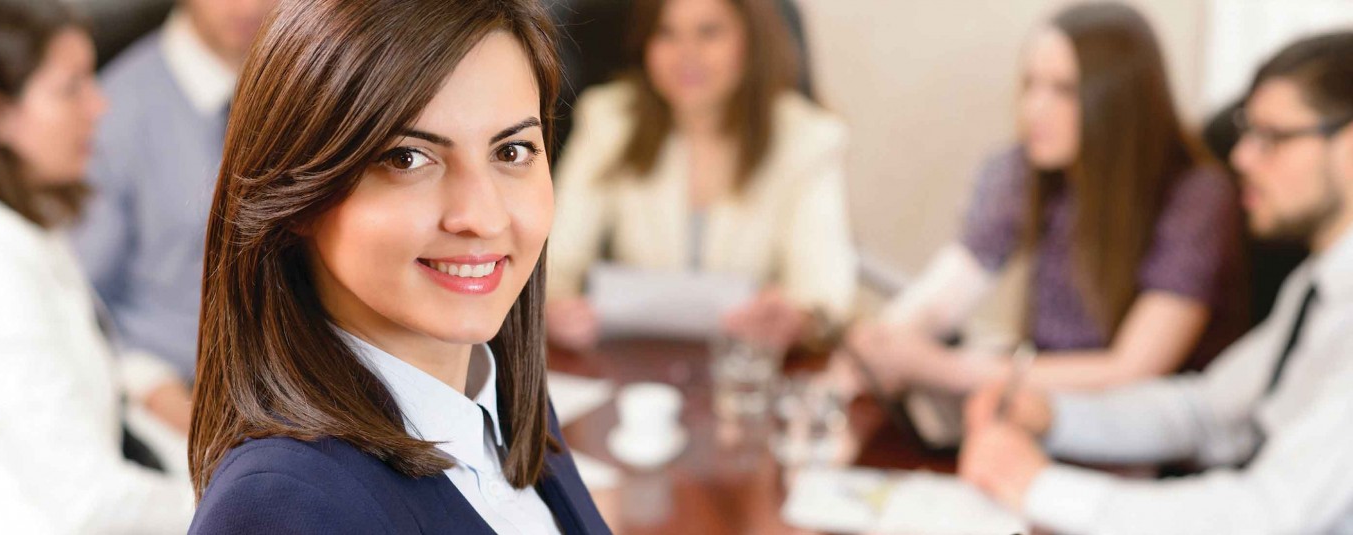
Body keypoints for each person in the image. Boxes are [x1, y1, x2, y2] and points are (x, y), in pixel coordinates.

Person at [187, 0, 609, 533]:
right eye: (406, 158)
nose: (480, 216)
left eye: (511, 152)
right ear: (294, 193)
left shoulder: (499, 407)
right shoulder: (288, 508)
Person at [959, 31, 1353, 534]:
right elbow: (1207, 413)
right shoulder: (1317, 286)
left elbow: (1270, 516)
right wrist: (1055, 417)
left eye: (1271, 138)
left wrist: (1038, 486)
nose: (1242, 159)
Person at [838, 2, 1245, 394]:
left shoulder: (1197, 198)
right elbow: (947, 291)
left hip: (1145, 442)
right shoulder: (1022, 171)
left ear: (1121, 100)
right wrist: (884, 345)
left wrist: (942, 368)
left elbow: (1132, 369)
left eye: (1063, 90)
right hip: (1041, 411)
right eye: (1030, 84)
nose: (1034, 108)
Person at [0, 0, 194, 532]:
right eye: (71, 88)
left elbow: (104, 420)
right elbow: (89, 501)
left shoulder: (24, 227)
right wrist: (229, 506)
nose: (100, 105)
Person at [544, 0, 857, 351]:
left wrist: (796, 321)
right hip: (637, 362)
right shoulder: (611, 119)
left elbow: (825, 293)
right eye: (666, 33)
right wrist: (555, 308)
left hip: (749, 366)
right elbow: (555, 261)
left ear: (752, 41)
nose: (685, 54)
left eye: (709, 32)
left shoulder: (808, 139)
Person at [72, 0, 276, 408]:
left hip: (303, 377)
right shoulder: (108, 114)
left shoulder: (318, 80)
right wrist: (153, 388)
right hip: (178, 392)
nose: (251, 5)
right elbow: (83, 302)